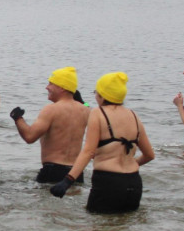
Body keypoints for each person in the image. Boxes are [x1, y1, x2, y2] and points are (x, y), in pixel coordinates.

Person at [50, 72, 154, 213]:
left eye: (96, 92)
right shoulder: (134, 115)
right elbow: (149, 155)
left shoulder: (98, 113)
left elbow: (88, 151)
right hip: (134, 184)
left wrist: (68, 180)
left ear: (103, 95)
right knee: (124, 229)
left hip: (108, 183)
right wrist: (133, 163)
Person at [10, 66, 90, 183]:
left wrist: (17, 118)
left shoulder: (51, 110)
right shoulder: (86, 111)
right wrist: (84, 103)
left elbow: (29, 137)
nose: (47, 87)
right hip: (75, 174)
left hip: (53, 171)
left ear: (62, 87)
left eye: (51, 84)